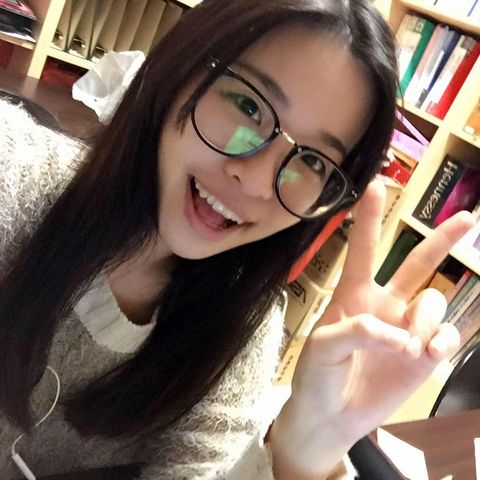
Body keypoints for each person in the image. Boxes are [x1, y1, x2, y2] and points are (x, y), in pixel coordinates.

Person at [0, 0, 473, 478]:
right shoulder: (12, 174)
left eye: (313, 161)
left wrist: (307, 446)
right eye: (249, 107)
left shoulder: (237, 337)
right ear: (180, 67)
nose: (258, 182)